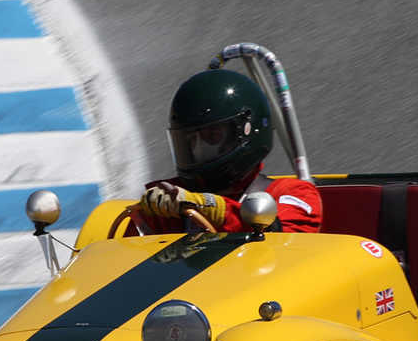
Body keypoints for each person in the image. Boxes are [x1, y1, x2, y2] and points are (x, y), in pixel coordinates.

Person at [135, 68, 321, 233]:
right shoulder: (170, 200)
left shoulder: (295, 193)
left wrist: (210, 207)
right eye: (190, 141)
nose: (199, 150)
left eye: (212, 136)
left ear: (246, 132)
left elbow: (281, 235)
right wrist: (151, 208)